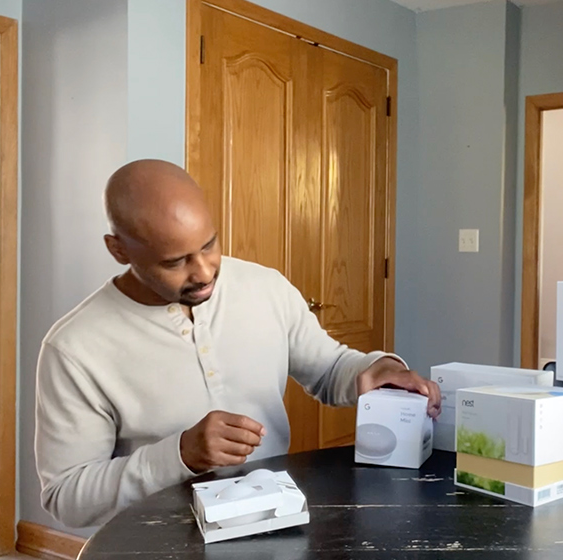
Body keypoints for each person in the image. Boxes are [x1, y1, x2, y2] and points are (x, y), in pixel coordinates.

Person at [35, 159, 440, 529]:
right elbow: (68, 498)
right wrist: (179, 455)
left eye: (209, 244)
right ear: (117, 249)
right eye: (175, 262)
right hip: (156, 551)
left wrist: (380, 369)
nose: (204, 271)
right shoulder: (75, 348)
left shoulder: (265, 287)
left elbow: (331, 369)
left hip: (278, 526)